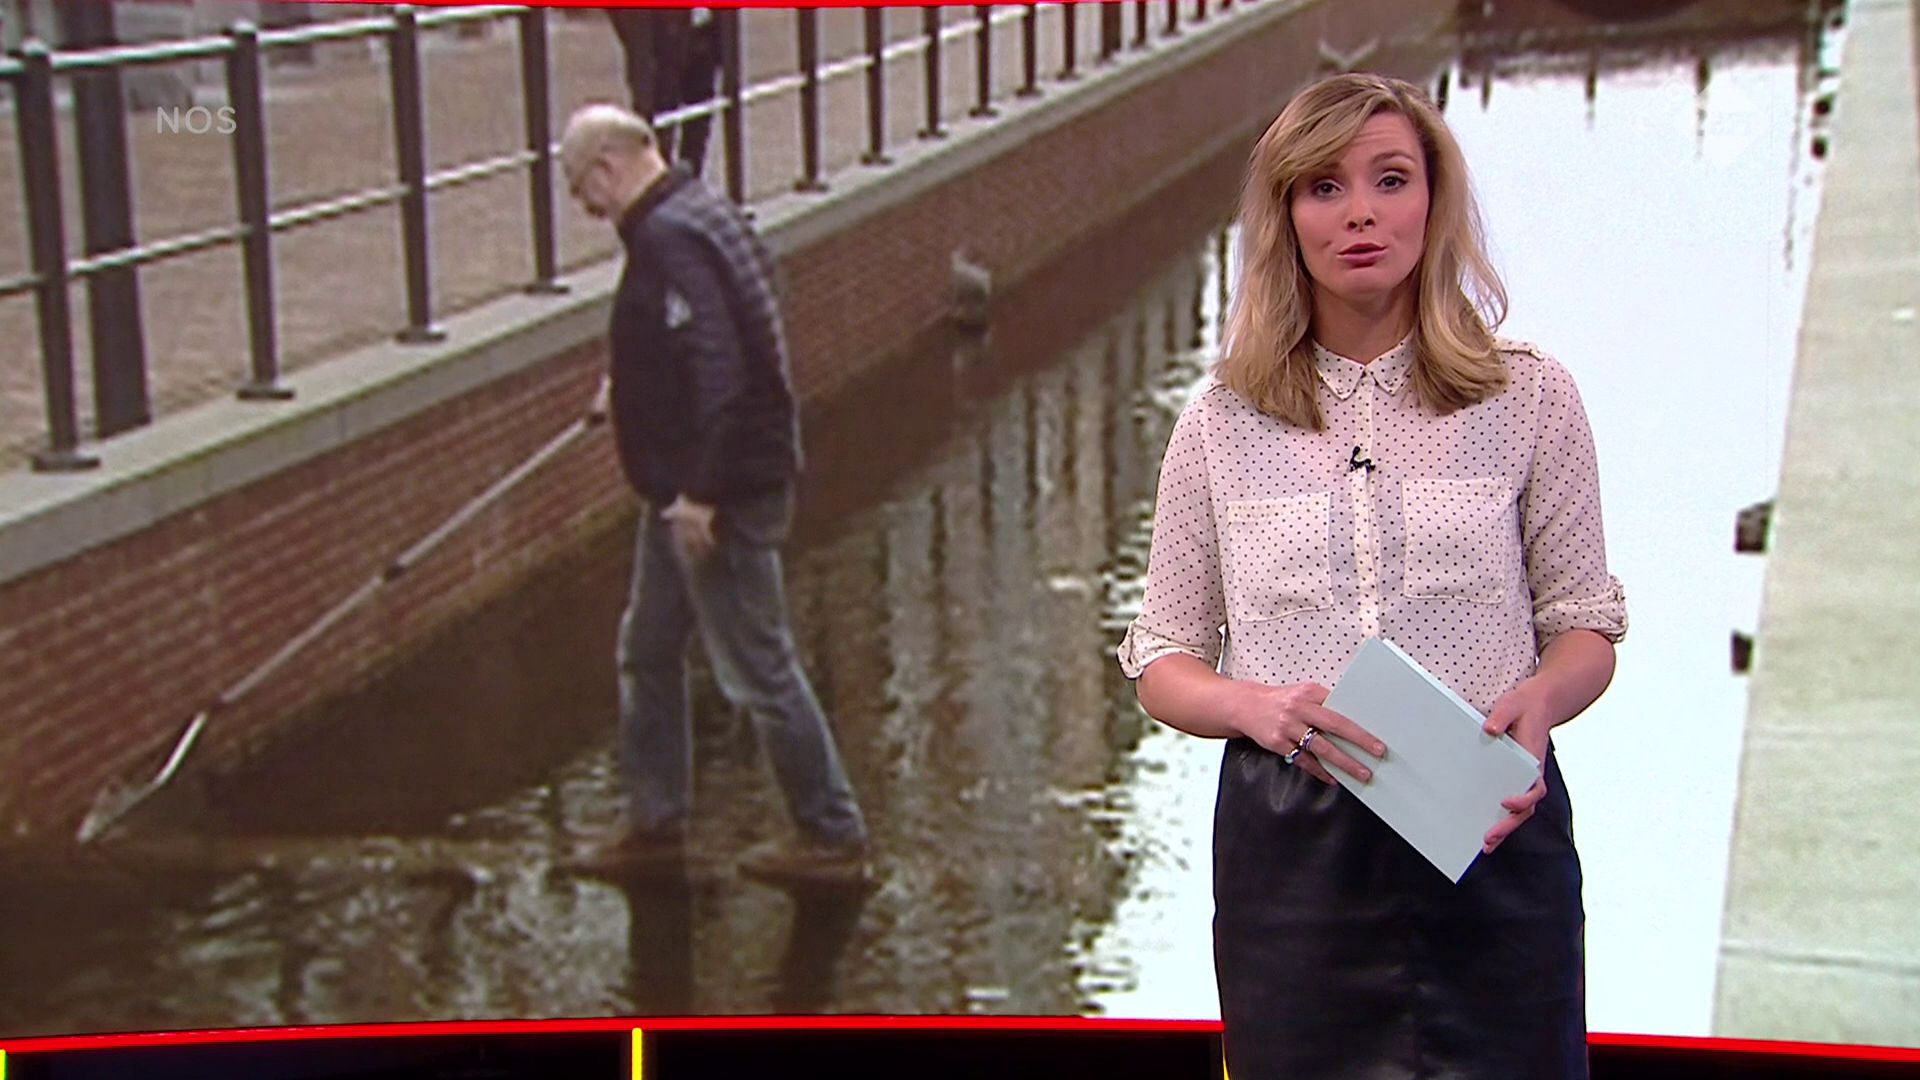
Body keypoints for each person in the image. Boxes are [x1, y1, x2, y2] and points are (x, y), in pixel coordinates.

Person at [1115, 73, 1627, 1079]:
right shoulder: (1220, 424)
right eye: (1324, 187)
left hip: (1489, 830)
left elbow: (1585, 626)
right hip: (1295, 857)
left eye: (1390, 179)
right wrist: (1256, 709)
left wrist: (1543, 699)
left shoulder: (1531, 397)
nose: (1360, 213)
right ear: (1286, 217)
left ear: (1433, 200)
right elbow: (1163, 660)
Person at [559, 104, 870, 888]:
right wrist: (632, 381)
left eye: (579, 189)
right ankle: (656, 822)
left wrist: (703, 492)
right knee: (647, 647)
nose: (585, 209)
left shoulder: (667, 238)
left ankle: (832, 834)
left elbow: (723, 369)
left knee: (760, 666)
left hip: (713, 491)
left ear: (605, 167)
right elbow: (738, 315)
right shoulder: (703, 210)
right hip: (682, 485)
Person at [605, 7, 720, 177]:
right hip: (658, 40)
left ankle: (689, 179)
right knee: (658, 120)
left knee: (699, 116)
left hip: (704, 32)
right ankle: (656, 180)